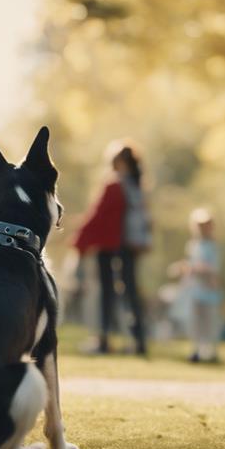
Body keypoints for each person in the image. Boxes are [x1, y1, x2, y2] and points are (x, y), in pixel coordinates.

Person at [73, 141, 151, 356]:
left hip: (108, 246)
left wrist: (78, 240)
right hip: (130, 246)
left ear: (117, 162)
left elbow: (97, 216)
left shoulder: (113, 185)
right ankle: (139, 341)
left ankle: (103, 340)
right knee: (131, 293)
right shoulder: (137, 186)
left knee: (106, 294)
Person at [184, 209, 222, 363]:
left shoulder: (213, 246)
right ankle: (197, 349)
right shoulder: (193, 245)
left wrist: (197, 269)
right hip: (195, 290)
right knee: (196, 322)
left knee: (210, 322)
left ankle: (211, 351)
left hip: (209, 290)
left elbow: (213, 268)